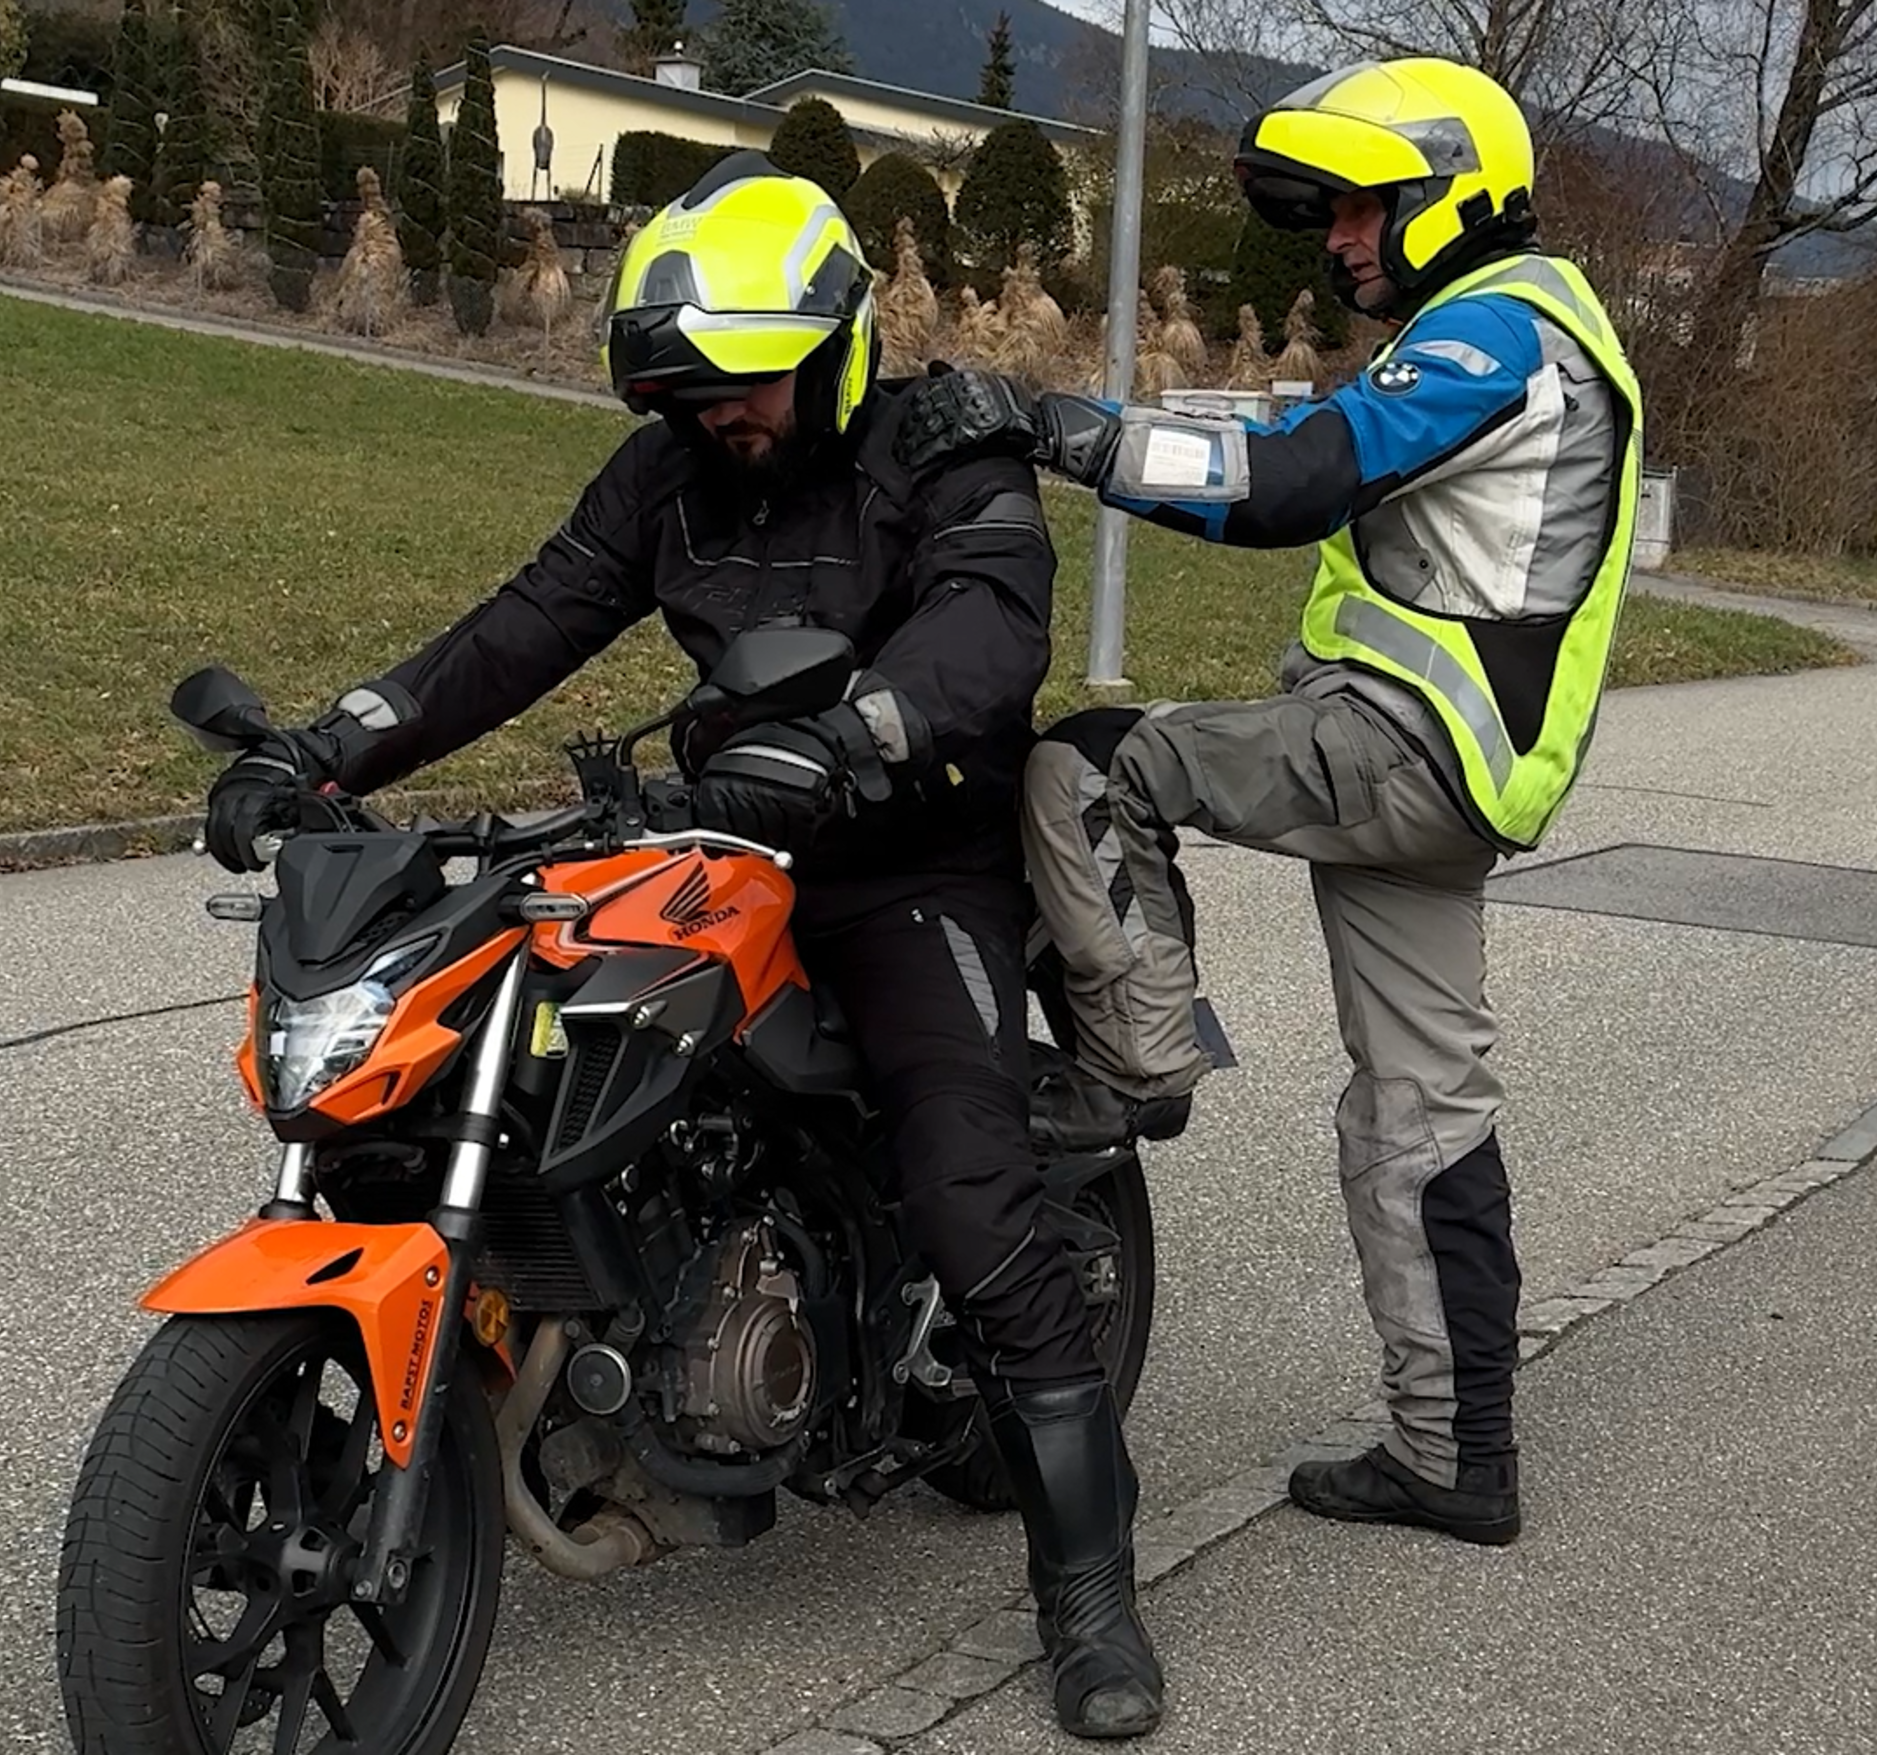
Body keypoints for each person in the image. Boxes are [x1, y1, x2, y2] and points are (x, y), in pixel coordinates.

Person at [199, 155, 1163, 1740]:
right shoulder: (666, 478)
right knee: (506, 1068)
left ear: (837, 339)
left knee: (969, 1188)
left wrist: (864, 732)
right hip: (726, 826)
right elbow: (519, 626)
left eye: (743, 382)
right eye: (687, 389)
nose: (716, 413)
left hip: (910, 854)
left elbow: (990, 631)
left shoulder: (945, 447)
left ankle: (1092, 1597)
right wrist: (325, 752)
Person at [894, 58, 1644, 1549]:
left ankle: (1133, 1075)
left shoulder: (1502, 330)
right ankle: (1455, 1454)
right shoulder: (1532, 329)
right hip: (1454, 769)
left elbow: (1295, 479)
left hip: (1401, 745)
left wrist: (1056, 430)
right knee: (1424, 1110)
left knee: (1095, 762)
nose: (1343, 241)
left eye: (1370, 209)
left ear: (1455, 197)